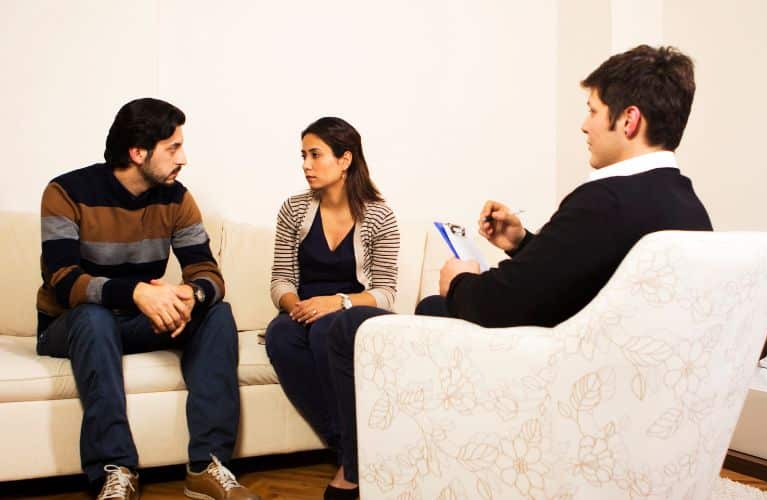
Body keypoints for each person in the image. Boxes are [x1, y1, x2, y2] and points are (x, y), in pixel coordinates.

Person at [325, 44, 713, 492]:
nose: (584, 125)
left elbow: (499, 306)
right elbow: (589, 278)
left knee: (358, 325)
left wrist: (460, 279)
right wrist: (521, 243)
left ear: (628, 120)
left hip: (564, 384)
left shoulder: (605, 200)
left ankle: (373, 469)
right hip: (631, 390)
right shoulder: (687, 205)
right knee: (433, 308)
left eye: (592, 110)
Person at [36, 98, 259, 500]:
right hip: (69, 326)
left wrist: (190, 295)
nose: (183, 158)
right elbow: (63, 281)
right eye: (173, 148)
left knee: (217, 314)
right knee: (93, 316)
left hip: (139, 322)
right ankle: (114, 470)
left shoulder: (177, 198)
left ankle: (208, 465)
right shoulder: (65, 192)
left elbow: (208, 273)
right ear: (138, 153)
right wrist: (137, 292)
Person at [265, 117, 399, 500]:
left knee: (329, 329)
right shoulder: (294, 209)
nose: (306, 165)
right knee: (279, 335)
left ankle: (351, 465)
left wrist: (336, 303)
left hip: (355, 312)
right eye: (303, 156)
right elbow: (280, 281)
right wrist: (297, 307)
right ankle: (348, 447)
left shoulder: (379, 215)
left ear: (345, 160)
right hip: (305, 309)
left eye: (315, 155)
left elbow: (385, 293)